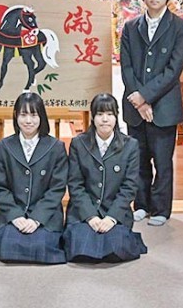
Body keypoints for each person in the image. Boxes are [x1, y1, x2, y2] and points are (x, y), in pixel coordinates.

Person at [119, 0, 183, 226]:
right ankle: (141, 204)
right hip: (135, 107)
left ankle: (160, 209)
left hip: (164, 106)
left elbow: (174, 69)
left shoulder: (180, 26)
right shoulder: (130, 27)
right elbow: (126, 66)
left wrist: (145, 96)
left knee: (162, 161)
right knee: (138, 160)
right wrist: (139, 100)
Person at [63, 93, 147, 263]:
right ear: (93, 117)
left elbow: (129, 187)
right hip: (84, 212)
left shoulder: (130, 145)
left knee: (116, 247)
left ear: (116, 116)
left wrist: (111, 217)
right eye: (100, 114)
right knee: (81, 247)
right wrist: (91, 216)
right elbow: (75, 185)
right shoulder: (79, 143)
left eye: (110, 114)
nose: (105, 119)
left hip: (115, 212)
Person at [0, 92, 68, 264]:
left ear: (42, 117)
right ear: (15, 116)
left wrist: (37, 219)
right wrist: (16, 216)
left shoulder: (56, 147)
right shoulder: (3, 147)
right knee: (8, 246)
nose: (28, 121)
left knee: (42, 245)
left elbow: (57, 189)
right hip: (12, 214)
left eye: (33, 115)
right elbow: (0, 188)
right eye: (23, 115)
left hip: (45, 216)